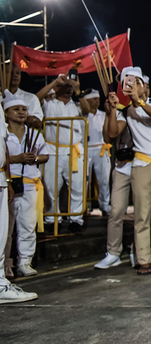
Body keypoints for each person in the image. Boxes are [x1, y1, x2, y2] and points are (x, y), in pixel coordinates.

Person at [104, 68, 151, 275]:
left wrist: (140, 102)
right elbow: (112, 133)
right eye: (128, 84)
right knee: (141, 216)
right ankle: (143, 259)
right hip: (142, 165)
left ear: (144, 85)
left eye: (136, 82)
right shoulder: (126, 111)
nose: (132, 87)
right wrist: (111, 109)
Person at [4, 95, 48, 277]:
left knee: (27, 225)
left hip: (30, 184)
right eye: (16, 109)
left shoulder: (33, 133)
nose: (21, 112)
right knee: (6, 227)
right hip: (8, 183)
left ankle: (25, 262)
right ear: (6, 113)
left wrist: (34, 159)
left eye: (24, 109)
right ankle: (5, 264)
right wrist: (17, 159)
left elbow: (45, 154)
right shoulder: (4, 133)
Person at [36, 73, 85, 232]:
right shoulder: (49, 103)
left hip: (74, 151)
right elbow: (35, 99)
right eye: (66, 85)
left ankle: (75, 220)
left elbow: (89, 109)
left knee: (77, 186)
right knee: (51, 188)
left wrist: (79, 91)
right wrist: (54, 82)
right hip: (53, 150)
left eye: (71, 86)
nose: (69, 89)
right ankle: (51, 219)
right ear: (57, 87)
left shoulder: (76, 104)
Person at [94, 89, 134, 270]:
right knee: (116, 212)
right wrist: (110, 112)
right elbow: (109, 135)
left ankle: (138, 251)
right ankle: (113, 253)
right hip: (122, 167)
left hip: (142, 166)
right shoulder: (121, 112)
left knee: (142, 213)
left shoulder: (147, 107)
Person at [0, 100, 35, 304]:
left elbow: (2, 146)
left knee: (2, 233)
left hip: (2, 179)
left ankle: (1, 283)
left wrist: (7, 179)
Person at [81, 90, 111, 216]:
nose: (97, 101)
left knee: (104, 179)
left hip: (100, 149)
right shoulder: (82, 114)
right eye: (93, 99)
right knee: (84, 180)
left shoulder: (104, 115)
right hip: (84, 148)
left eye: (98, 99)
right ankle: (84, 206)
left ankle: (105, 205)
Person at [5, 65, 42, 130]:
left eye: (18, 73)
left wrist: (15, 117)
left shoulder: (31, 97)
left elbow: (37, 122)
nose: (15, 75)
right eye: (10, 72)